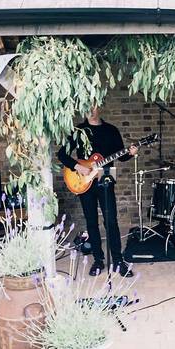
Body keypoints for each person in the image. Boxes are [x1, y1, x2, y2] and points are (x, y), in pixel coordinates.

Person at [57, 106, 139, 277]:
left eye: (92, 106)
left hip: (105, 177)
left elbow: (121, 156)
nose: (89, 110)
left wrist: (131, 153)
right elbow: (62, 155)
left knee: (111, 221)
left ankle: (118, 261)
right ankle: (98, 260)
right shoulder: (78, 131)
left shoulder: (111, 130)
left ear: (99, 107)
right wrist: (78, 166)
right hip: (84, 179)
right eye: (85, 106)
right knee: (91, 221)